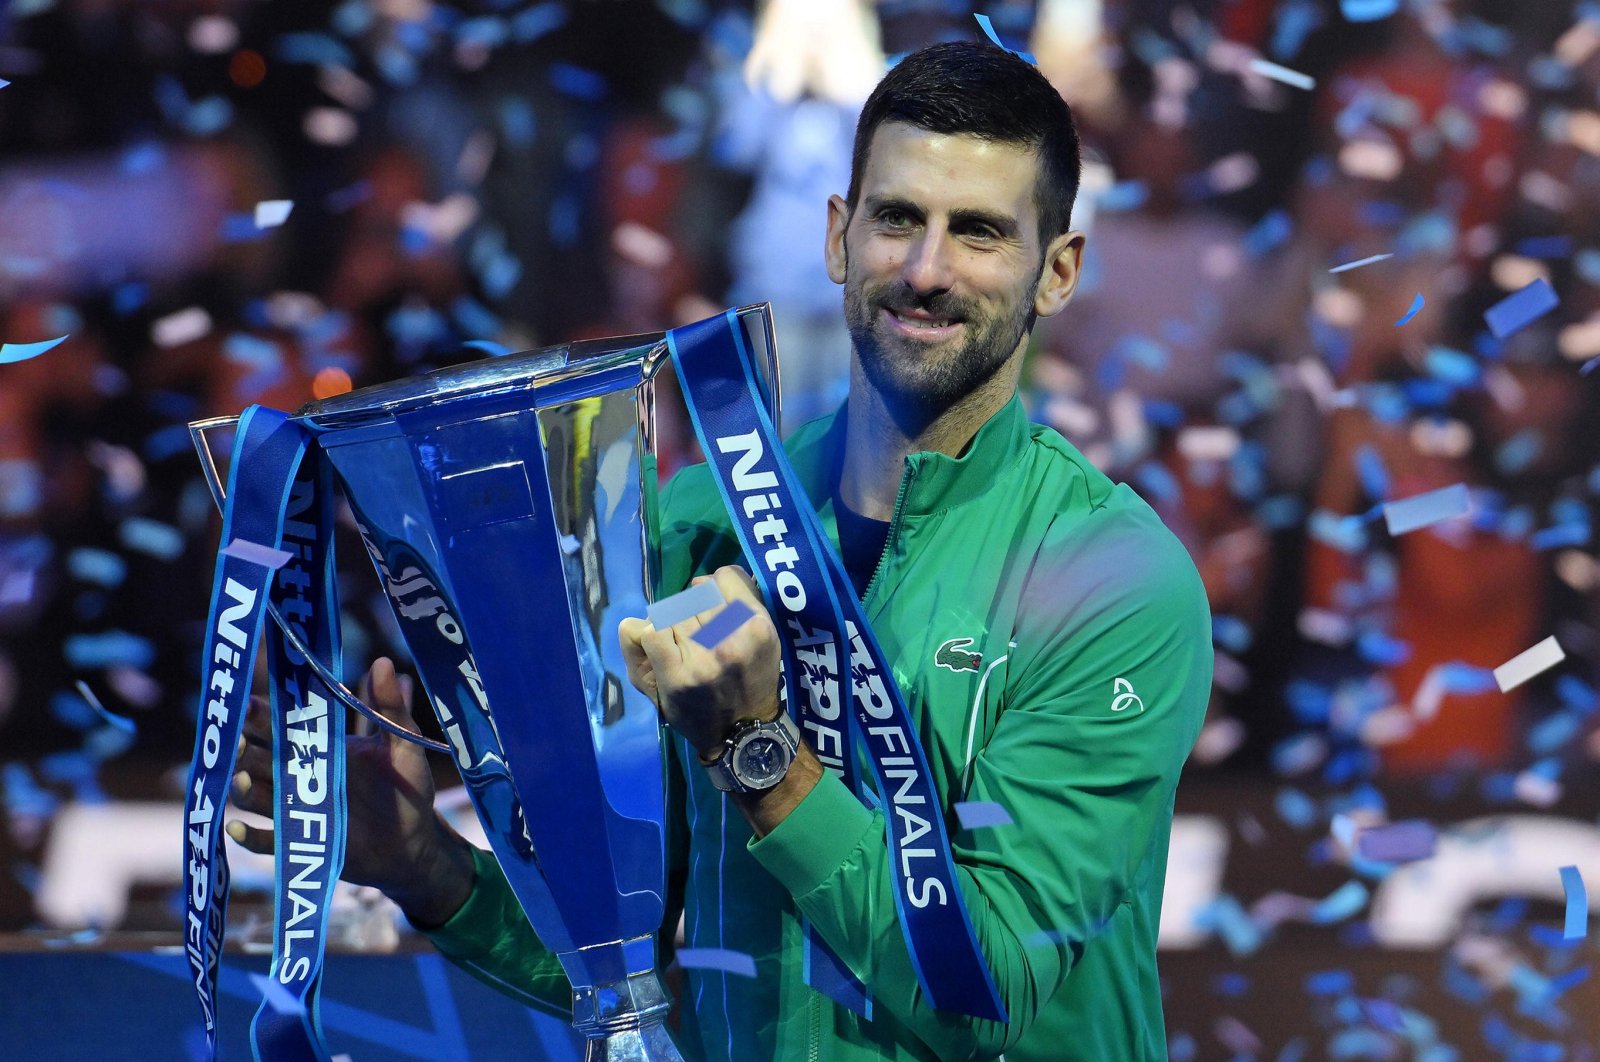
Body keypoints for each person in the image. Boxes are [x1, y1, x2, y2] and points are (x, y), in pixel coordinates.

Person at [227, 41, 1211, 1061]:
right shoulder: (698, 523)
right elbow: (626, 973)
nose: (925, 270)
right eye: (896, 219)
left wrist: (762, 758)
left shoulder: (1112, 582)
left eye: (977, 233)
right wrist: (423, 862)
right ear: (837, 235)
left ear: (1056, 271)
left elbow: (992, 980)